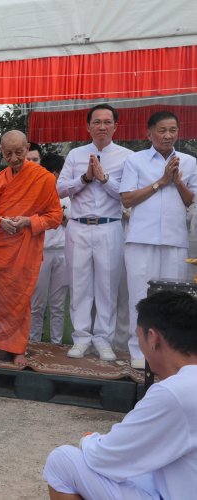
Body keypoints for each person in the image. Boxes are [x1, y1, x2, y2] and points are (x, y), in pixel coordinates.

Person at [43, 290, 197, 500]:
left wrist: (88, 440)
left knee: (62, 461)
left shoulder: (175, 392)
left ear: (152, 338)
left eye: (138, 335)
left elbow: (106, 457)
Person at [0, 130, 62, 367]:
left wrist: (29, 221)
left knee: (20, 299)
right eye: (8, 153)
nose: (13, 158)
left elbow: (55, 216)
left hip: (25, 248)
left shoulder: (43, 178)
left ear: (27, 149)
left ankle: (16, 348)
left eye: (19, 152)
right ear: (1, 152)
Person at [120, 111, 197, 369]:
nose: (167, 135)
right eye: (162, 130)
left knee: (172, 297)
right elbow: (127, 199)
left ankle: (172, 352)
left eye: (172, 130)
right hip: (141, 238)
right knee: (140, 295)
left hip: (175, 240)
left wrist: (176, 181)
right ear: (149, 133)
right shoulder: (135, 161)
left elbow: (190, 201)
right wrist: (160, 182)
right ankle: (138, 350)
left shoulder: (188, 161)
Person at [57, 104, 133, 361]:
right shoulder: (76, 154)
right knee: (79, 286)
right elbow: (59, 189)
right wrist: (85, 178)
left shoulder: (126, 156)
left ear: (115, 126)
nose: (102, 126)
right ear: (88, 126)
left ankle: (103, 339)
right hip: (78, 226)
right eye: (97, 122)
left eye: (107, 122)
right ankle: (81, 338)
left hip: (110, 226)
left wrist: (104, 179)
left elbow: (128, 195)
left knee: (107, 286)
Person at [30, 153, 69, 345]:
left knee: (58, 304)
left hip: (63, 251)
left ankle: (56, 343)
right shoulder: (35, 194)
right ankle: (33, 341)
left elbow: (75, 223)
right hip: (41, 252)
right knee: (37, 303)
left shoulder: (68, 195)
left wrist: (63, 218)